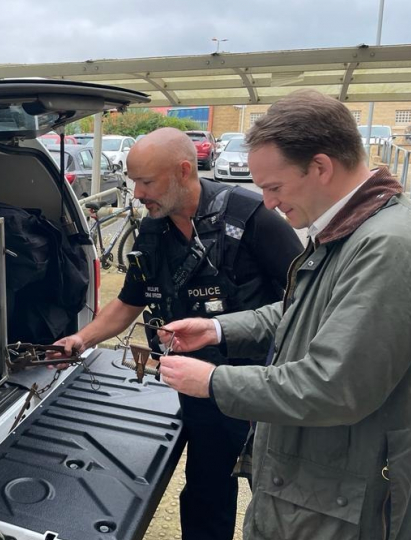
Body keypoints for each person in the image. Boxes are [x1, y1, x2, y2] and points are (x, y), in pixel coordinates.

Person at [158, 89, 411, 539]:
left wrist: (211, 382)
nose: (267, 203)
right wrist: (215, 330)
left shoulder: (387, 246)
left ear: (321, 167)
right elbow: (298, 312)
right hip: (321, 493)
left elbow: (335, 386)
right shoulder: (350, 230)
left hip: (349, 509)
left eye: (274, 187)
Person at [51, 127, 302, 540]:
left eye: (146, 182)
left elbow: (305, 301)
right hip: (200, 387)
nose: (136, 192)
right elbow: (128, 302)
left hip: (263, 385)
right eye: (133, 181)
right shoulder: (152, 230)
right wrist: (83, 339)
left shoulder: (252, 218)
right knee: (206, 490)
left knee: (277, 493)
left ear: (184, 171)